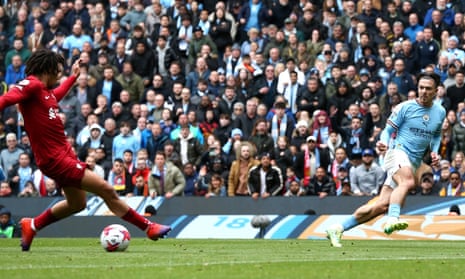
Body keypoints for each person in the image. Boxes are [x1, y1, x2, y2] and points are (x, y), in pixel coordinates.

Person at [0, 49, 170, 251]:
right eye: (59, 71)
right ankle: (148, 227)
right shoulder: (32, 85)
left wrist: (73, 77)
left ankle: (33, 225)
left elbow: (56, 95)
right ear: (49, 69)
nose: (59, 75)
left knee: (77, 204)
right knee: (107, 190)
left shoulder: (45, 93)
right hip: (56, 159)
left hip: (63, 155)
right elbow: (8, 98)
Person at [326, 72, 445, 247]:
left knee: (381, 205)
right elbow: (387, 131)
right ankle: (392, 219)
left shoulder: (440, 112)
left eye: (428, 89)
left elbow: (436, 135)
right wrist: (382, 141)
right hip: (396, 153)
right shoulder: (405, 107)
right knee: (408, 182)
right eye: (421, 87)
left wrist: (435, 152)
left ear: (436, 91)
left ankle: (338, 228)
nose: (423, 91)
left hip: (413, 162)